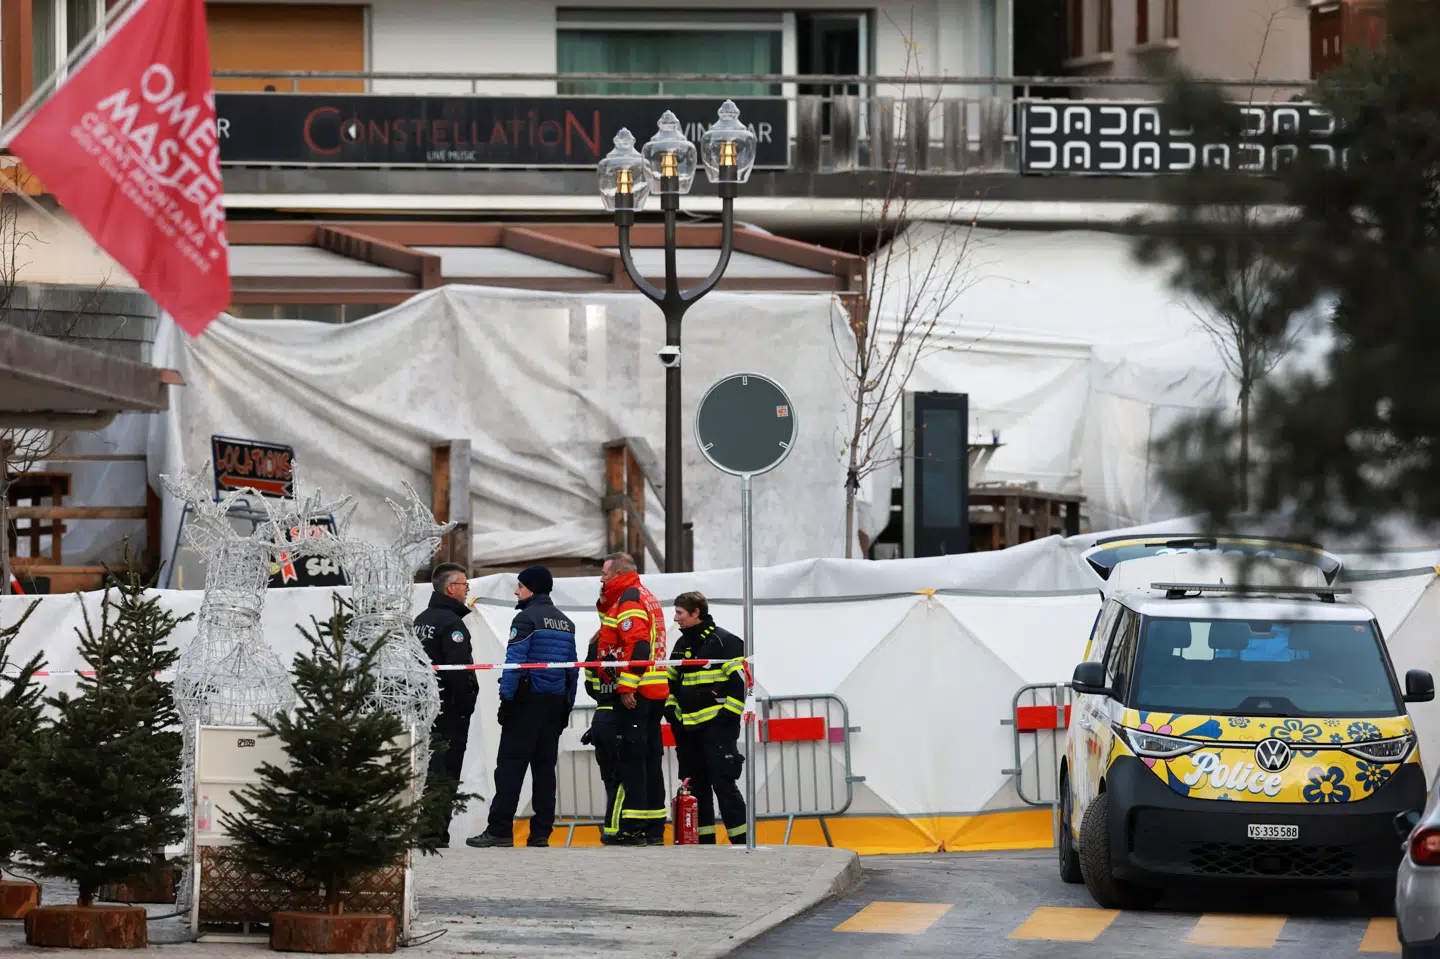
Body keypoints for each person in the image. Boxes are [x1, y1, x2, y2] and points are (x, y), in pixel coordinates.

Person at [468, 566, 578, 848]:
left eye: (519, 586)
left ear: (531, 588)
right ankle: (541, 833)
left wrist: (507, 699)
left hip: (526, 704)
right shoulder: (566, 622)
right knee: (544, 770)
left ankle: (500, 830)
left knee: (509, 768)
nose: (516, 591)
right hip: (554, 704)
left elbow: (515, 663)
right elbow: (572, 670)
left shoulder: (525, 619)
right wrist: (567, 706)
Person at [592, 552, 669, 844]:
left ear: (618, 573)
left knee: (633, 761)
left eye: (605, 574)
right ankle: (653, 827)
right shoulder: (637, 596)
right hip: (652, 689)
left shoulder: (630, 598)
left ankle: (634, 826)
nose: (601, 579)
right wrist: (603, 601)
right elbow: (612, 631)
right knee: (649, 760)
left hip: (638, 692)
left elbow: (637, 645)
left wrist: (627, 686)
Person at [666, 591, 748, 844]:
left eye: (680, 613)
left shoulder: (725, 642)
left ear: (695, 613)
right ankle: (704, 846)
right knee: (696, 787)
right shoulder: (681, 645)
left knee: (723, 783)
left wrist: (727, 716)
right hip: (688, 730)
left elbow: (741, 682)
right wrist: (672, 712)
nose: (675, 618)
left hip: (717, 728)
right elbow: (671, 683)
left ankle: (742, 842)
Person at [414, 562, 479, 845]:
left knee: (427, 770)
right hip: (448, 711)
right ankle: (434, 833)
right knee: (445, 770)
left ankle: (425, 829)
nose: (467, 591)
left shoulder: (421, 620)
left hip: (424, 708)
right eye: (465, 585)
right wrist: (467, 704)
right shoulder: (452, 625)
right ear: (451, 588)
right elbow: (459, 672)